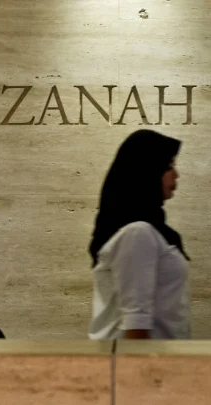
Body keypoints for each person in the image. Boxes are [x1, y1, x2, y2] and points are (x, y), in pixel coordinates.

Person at [88, 129, 191, 340]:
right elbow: (135, 324)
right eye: (170, 166)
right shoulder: (137, 234)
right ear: (147, 170)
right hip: (142, 357)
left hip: (157, 355)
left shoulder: (149, 231)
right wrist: (141, 362)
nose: (176, 175)